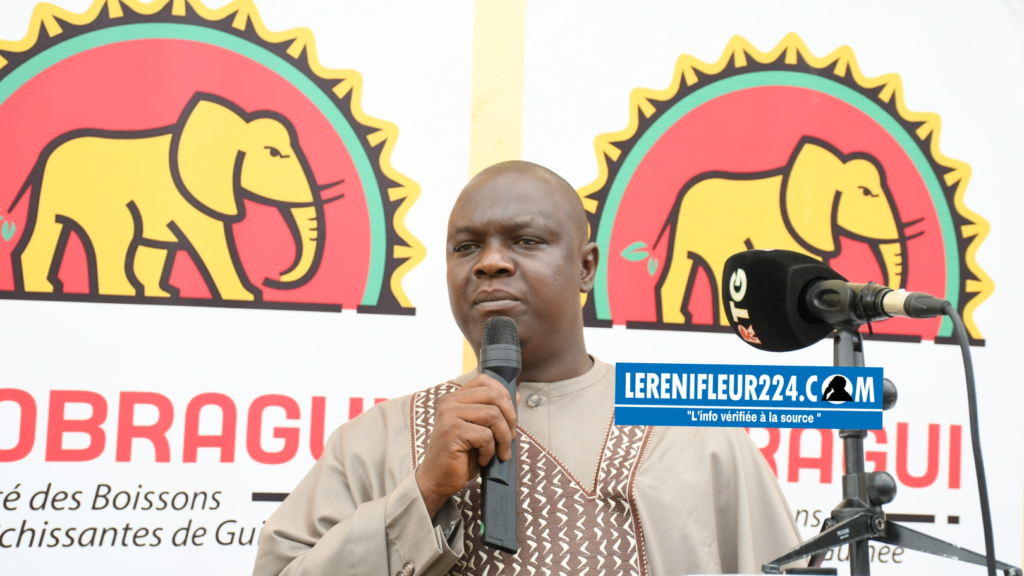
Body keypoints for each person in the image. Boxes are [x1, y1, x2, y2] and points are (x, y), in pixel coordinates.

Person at [252, 161, 801, 576]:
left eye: (526, 241)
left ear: (586, 266)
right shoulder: (375, 440)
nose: (490, 262)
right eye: (467, 247)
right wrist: (421, 493)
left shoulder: (693, 429)